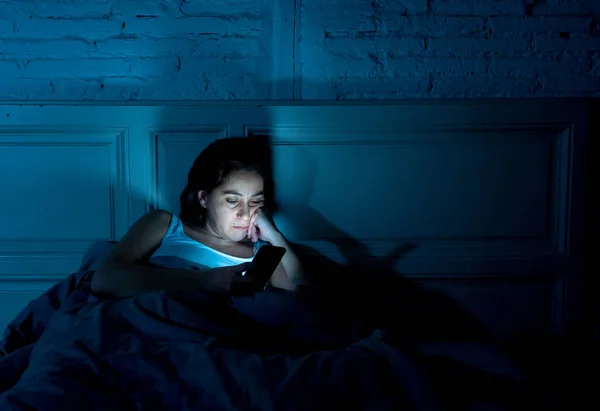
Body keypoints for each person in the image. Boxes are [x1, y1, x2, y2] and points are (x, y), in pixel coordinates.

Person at [91, 137, 304, 298]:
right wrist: (204, 280)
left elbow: (299, 295)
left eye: (255, 201)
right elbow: (105, 278)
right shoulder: (165, 225)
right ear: (204, 198)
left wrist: (274, 234)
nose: (246, 214)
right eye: (232, 201)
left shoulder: (264, 252)